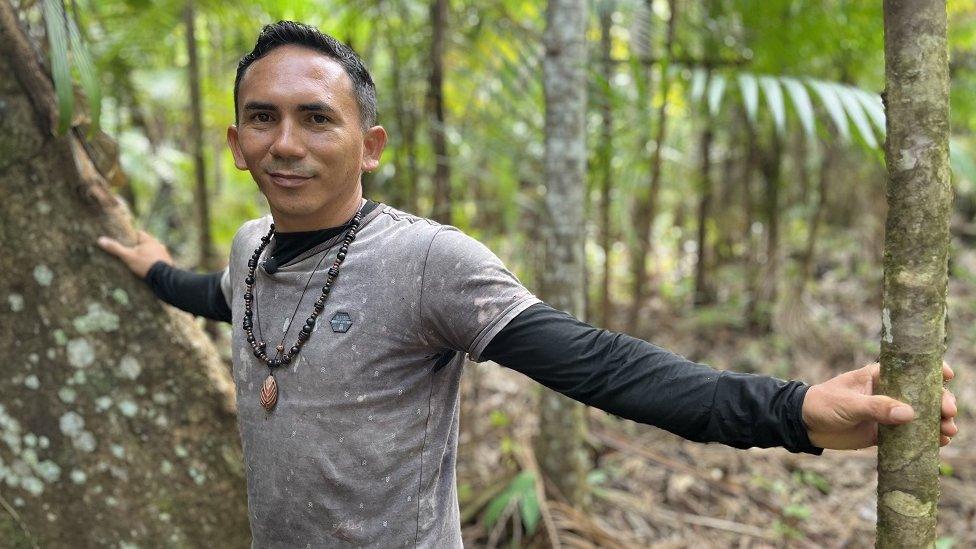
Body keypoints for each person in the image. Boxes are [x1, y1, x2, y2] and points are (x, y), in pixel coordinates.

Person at [96, 21, 959, 548]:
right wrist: (154, 269)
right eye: (263, 118)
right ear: (235, 142)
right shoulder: (252, 245)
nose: (286, 142)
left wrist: (795, 411)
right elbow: (226, 294)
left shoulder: (426, 263)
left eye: (316, 117)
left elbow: (598, 364)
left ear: (371, 144)